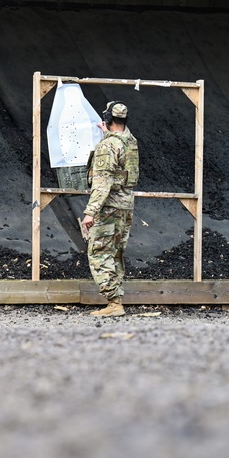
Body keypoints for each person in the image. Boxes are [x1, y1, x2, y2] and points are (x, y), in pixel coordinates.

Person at [82, 101, 139, 317]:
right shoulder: (130, 141)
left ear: (107, 119)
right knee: (115, 253)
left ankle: (114, 303)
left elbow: (103, 181)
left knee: (99, 252)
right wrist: (108, 135)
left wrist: (90, 212)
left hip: (109, 207)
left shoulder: (107, 146)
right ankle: (116, 300)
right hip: (125, 206)